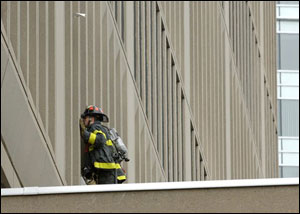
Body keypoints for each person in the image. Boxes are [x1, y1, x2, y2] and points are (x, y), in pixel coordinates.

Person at [79, 105, 126, 184]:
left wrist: (85, 134)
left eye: (86, 118)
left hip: (107, 172)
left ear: (91, 118)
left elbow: (100, 140)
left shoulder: (95, 127)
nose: (84, 120)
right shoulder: (103, 129)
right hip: (109, 171)